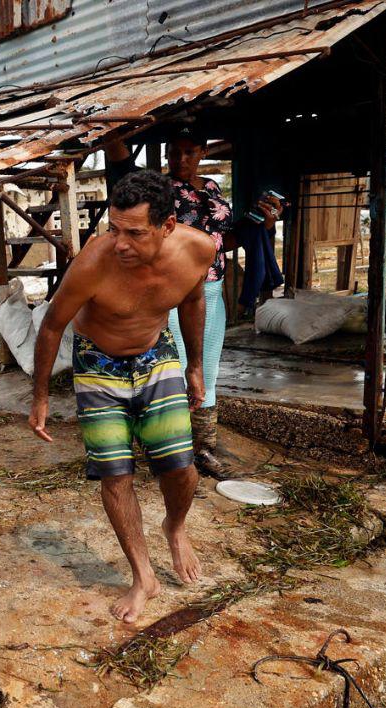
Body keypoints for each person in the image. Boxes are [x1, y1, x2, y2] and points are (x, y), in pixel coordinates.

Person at [28, 172, 215, 624]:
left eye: (134, 233)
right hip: (98, 362)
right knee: (115, 473)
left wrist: (194, 366)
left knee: (181, 466)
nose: (121, 244)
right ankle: (143, 576)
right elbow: (52, 325)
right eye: (114, 229)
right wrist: (40, 397)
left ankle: (175, 527)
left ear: (167, 226)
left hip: (156, 354)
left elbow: (192, 301)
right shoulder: (94, 261)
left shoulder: (198, 249)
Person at [105, 127, 281, 478]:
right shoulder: (158, 191)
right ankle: (168, 450)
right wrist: (112, 138)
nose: (181, 159)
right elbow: (122, 171)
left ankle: (203, 448)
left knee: (206, 370)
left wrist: (262, 223)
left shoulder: (213, 189)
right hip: (171, 292)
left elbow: (222, 241)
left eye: (189, 152)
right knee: (172, 369)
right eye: (175, 152)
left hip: (211, 289)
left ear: (203, 152)